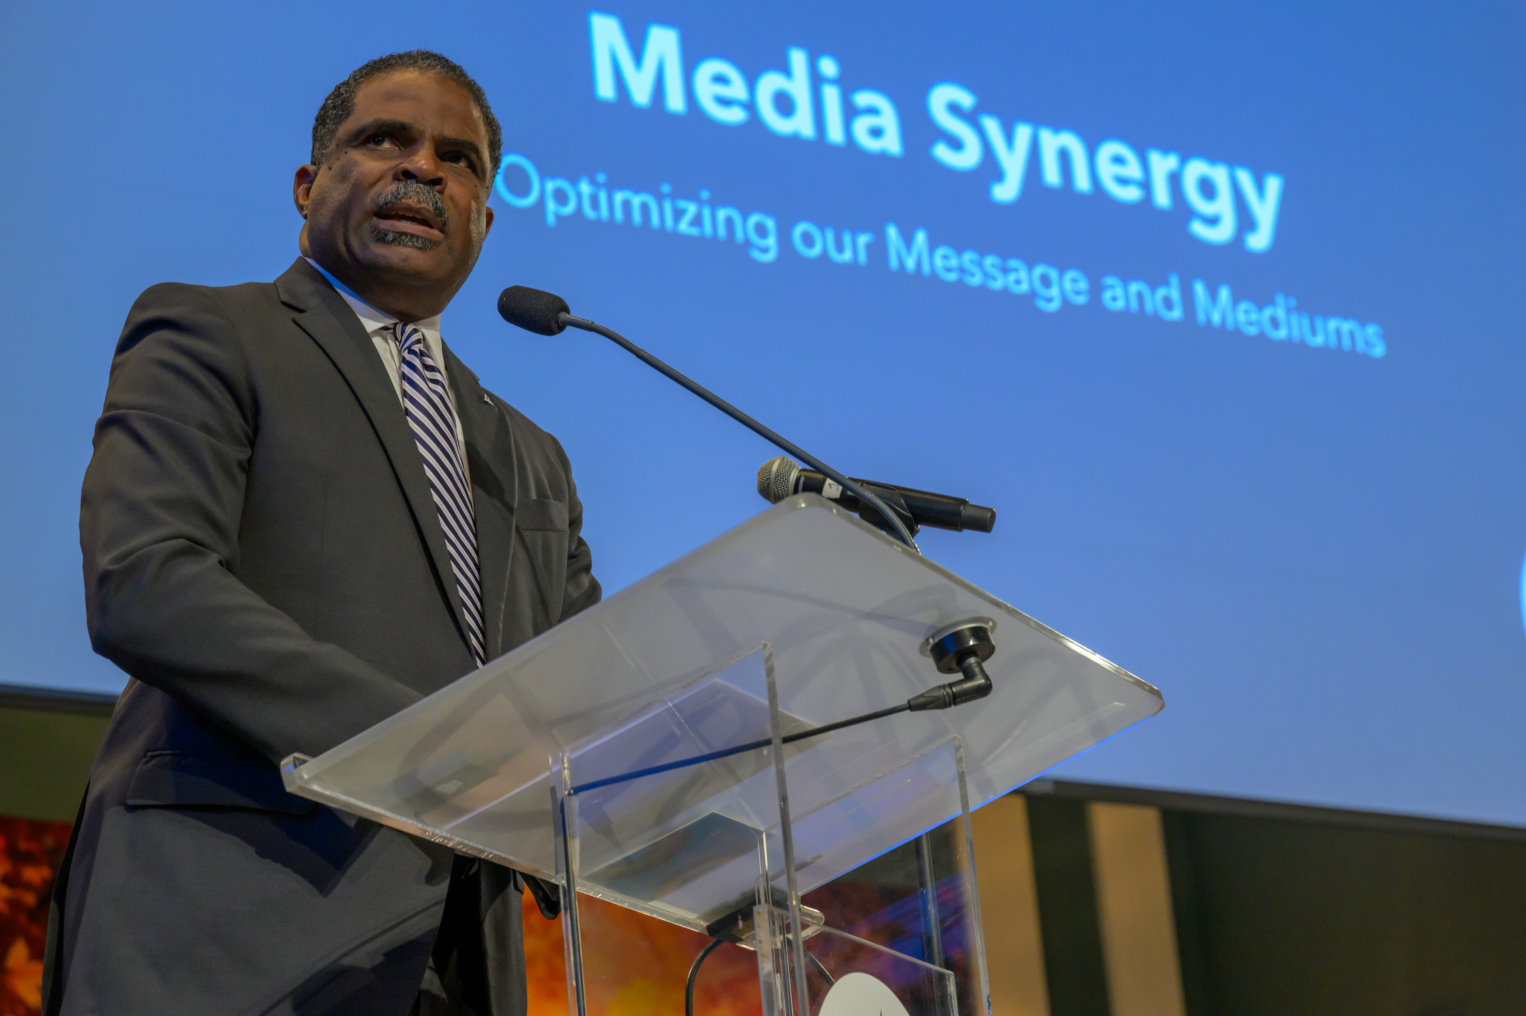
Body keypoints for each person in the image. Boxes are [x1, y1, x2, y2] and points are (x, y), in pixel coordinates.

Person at [43, 51, 599, 1016]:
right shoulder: (214, 333)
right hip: (228, 931)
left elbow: (589, 696)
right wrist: (426, 753)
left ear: (484, 220)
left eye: (459, 159)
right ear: (308, 186)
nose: (422, 168)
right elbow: (146, 581)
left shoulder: (531, 457)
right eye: (384, 140)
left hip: (457, 962)